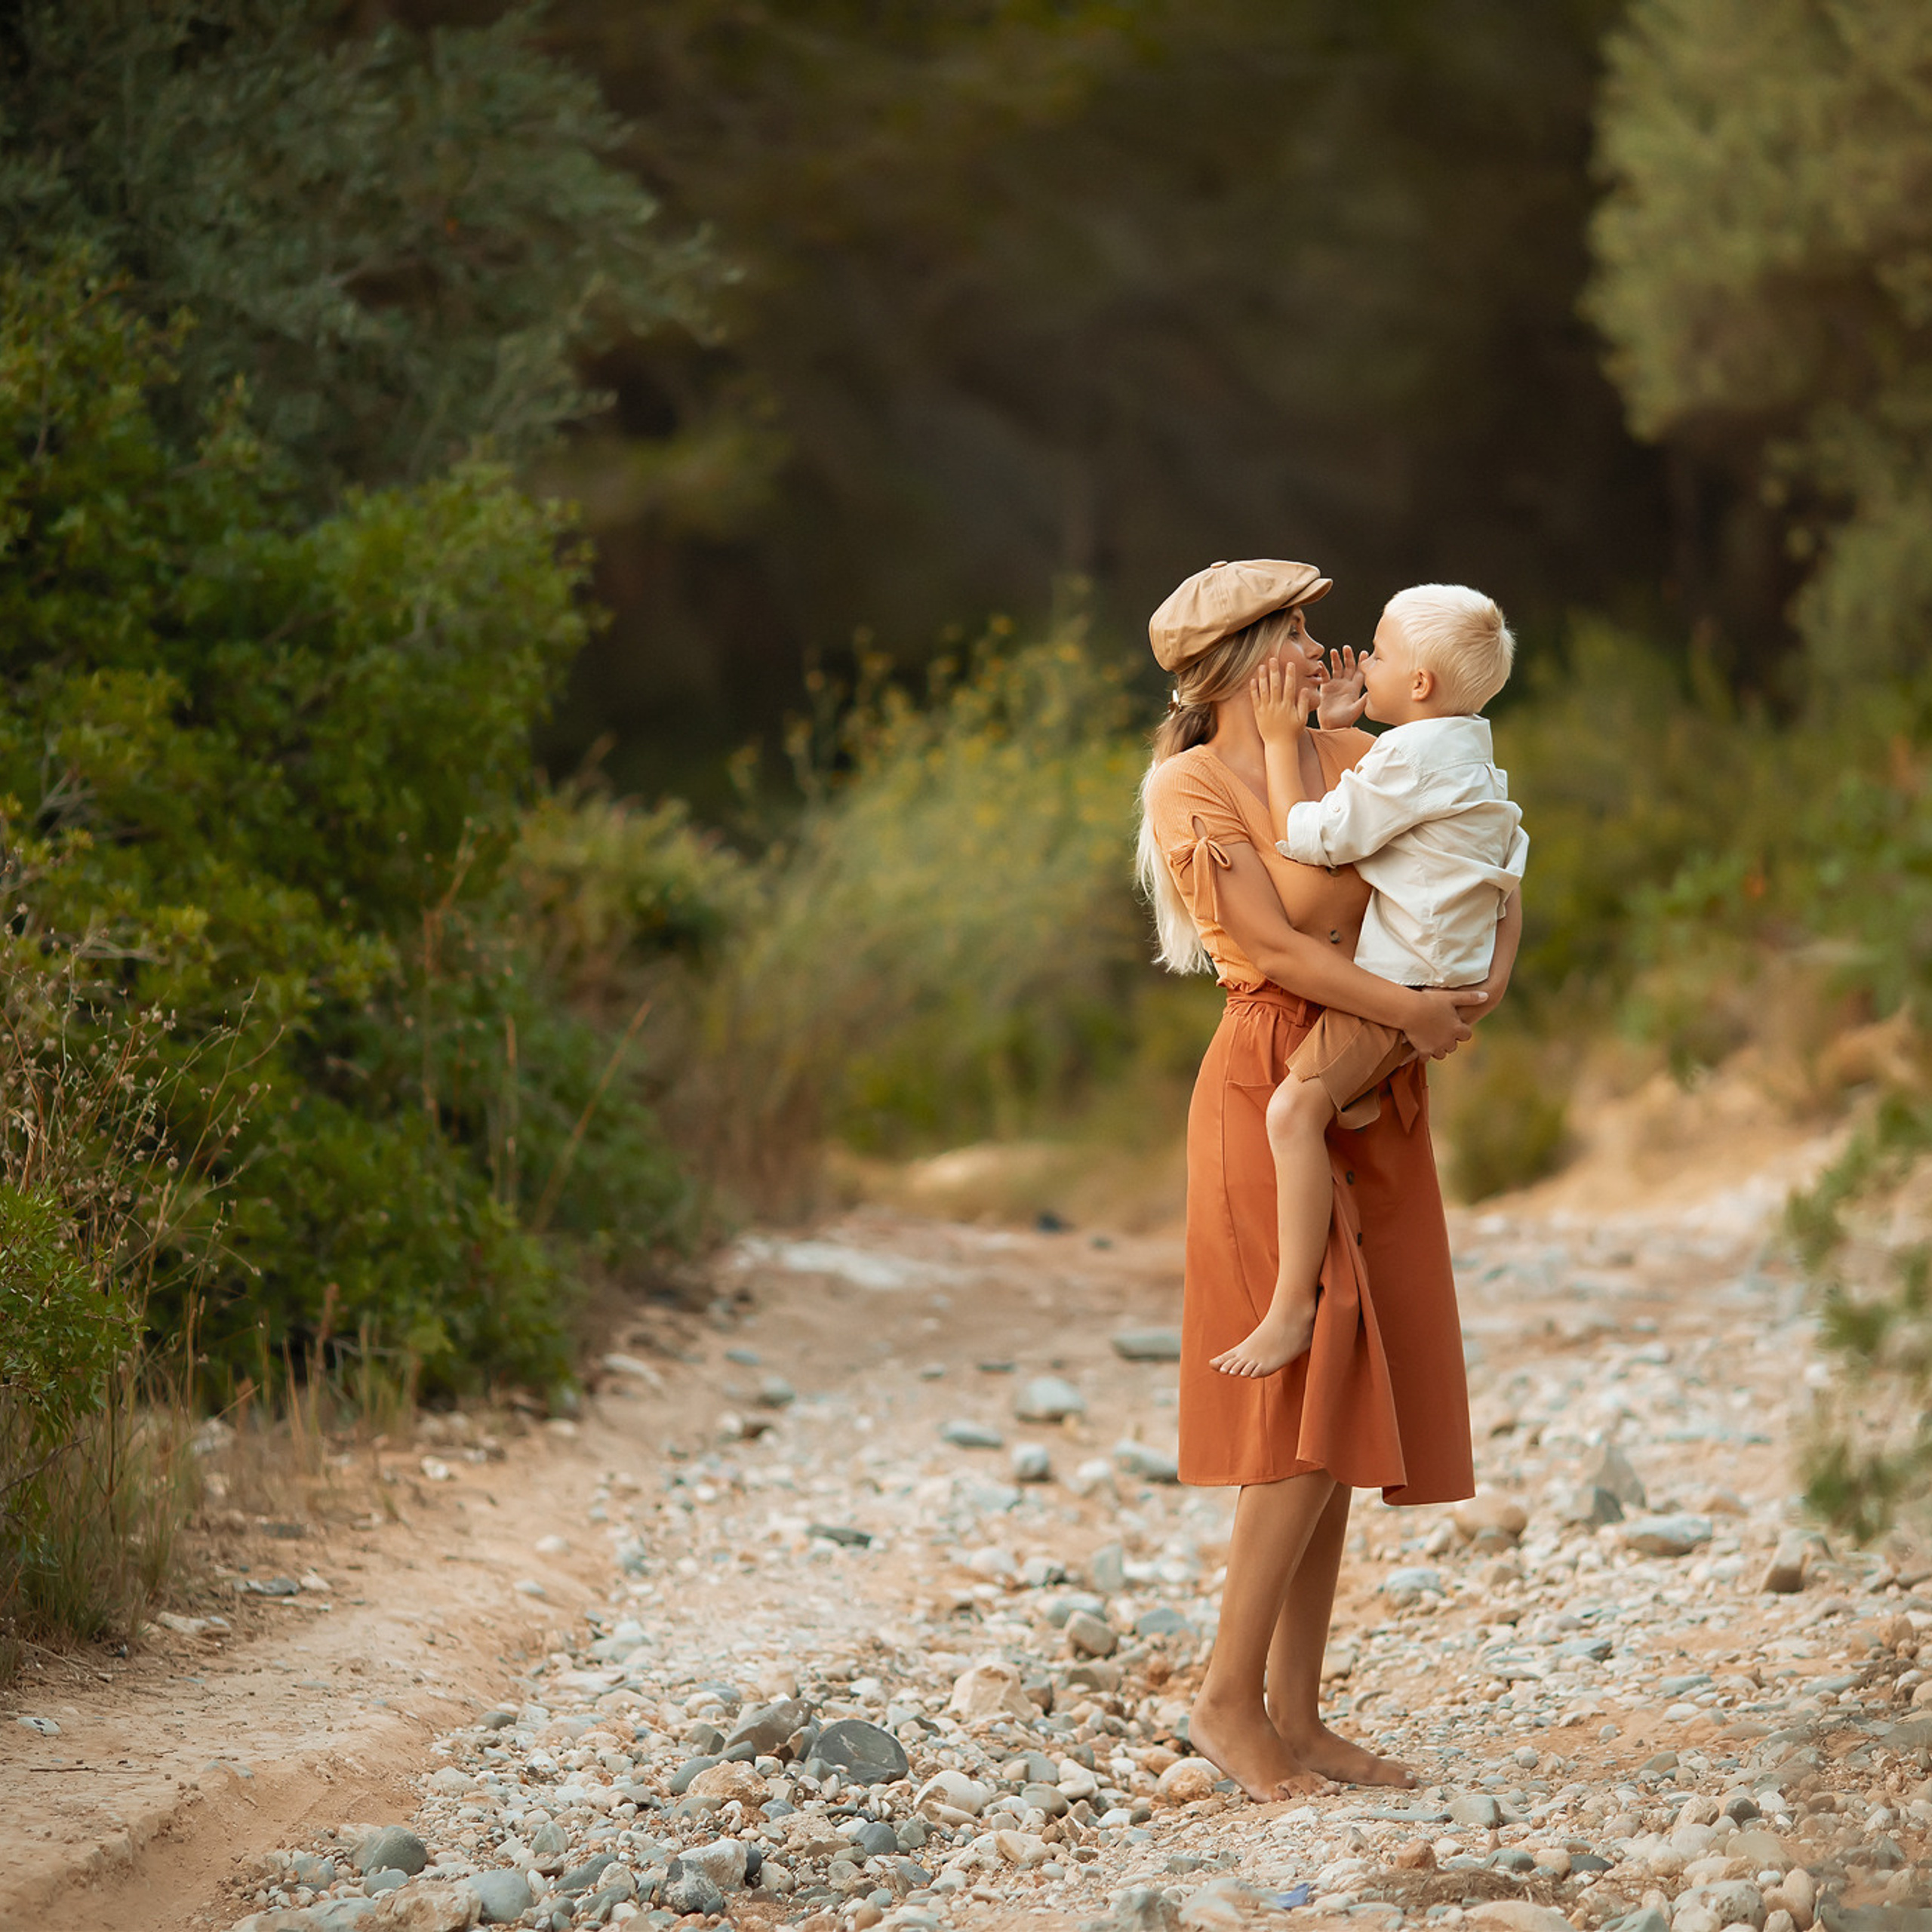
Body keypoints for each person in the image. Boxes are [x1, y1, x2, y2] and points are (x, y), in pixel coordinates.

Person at [1134, 558, 1515, 1801]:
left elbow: (1466, 863)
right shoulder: (1189, 786)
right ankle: (1222, 1702)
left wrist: (1473, 984)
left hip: (1373, 1075)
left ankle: (1296, 1716)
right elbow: (1277, 944)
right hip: (1271, 1076)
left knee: (1347, 1397)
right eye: (1292, 629)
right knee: (1308, 1369)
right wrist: (1412, 1009)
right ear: (1240, 660)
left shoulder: (1355, 757)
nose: (1316, 645)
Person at [1211, 583, 1527, 1381]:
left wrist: (1284, 741)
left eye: (1379, 655)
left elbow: (1311, 836)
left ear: (1418, 684)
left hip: (1406, 981)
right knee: (1331, 1102)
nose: (1357, 661)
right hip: (1448, 966)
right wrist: (1337, 734)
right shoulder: (1469, 754)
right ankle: (1357, 1092)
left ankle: (1290, 1308)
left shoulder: (1406, 760)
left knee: (1292, 1112)